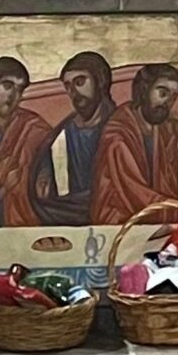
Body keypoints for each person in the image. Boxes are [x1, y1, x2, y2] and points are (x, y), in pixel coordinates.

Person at [0, 56, 55, 228]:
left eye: (19, 89)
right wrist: (2, 191)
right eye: (7, 86)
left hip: (31, 228)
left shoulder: (35, 130)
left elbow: (49, 186)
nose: (13, 95)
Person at [91, 61, 178, 220]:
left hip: (153, 215)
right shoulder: (117, 135)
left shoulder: (165, 129)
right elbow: (135, 192)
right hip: (119, 220)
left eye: (173, 97)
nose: (167, 103)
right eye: (162, 93)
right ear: (144, 91)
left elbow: (169, 185)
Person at [41, 51, 116, 226]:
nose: (73, 92)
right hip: (68, 213)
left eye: (80, 82)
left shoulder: (121, 126)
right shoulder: (64, 132)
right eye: (68, 86)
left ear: (101, 81)